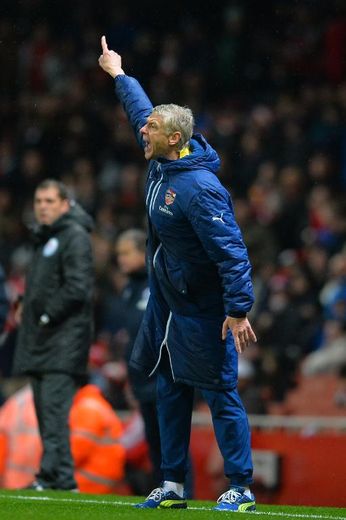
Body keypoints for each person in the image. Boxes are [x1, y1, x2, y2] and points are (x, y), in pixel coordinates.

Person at [99, 36, 257, 512]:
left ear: (174, 138)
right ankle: (172, 485)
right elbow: (139, 109)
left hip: (203, 310)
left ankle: (242, 487)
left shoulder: (199, 190)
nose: (140, 133)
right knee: (167, 390)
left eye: (150, 129)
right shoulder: (162, 162)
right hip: (168, 304)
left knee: (219, 393)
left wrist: (237, 310)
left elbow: (232, 251)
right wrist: (119, 74)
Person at [12, 179, 94, 491]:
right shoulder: (48, 238)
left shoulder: (73, 236)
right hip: (43, 339)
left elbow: (78, 287)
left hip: (63, 339)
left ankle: (52, 476)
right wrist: (26, 305)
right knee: (47, 412)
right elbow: (47, 286)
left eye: (49, 201)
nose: (42, 207)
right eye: (38, 201)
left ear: (65, 204)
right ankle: (59, 477)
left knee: (54, 411)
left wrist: (46, 315)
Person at [114, 229, 193, 497]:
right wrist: (130, 380)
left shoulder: (157, 280)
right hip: (141, 381)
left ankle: (185, 495)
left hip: (163, 376)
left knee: (173, 440)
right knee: (155, 445)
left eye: (126, 253)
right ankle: (165, 493)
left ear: (141, 251)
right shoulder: (128, 289)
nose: (121, 259)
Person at [0, 382, 127, 494]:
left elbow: (74, 453)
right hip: (90, 483)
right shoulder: (89, 405)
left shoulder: (87, 408)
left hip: (88, 486)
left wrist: (49, 468)